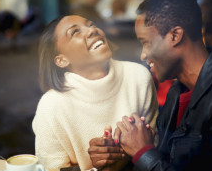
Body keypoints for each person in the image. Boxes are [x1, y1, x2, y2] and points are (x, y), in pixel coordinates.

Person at [88, 0, 212, 171]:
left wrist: (143, 152)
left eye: (146, 42)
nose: (143, 55)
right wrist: (121, 156)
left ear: (175, 35)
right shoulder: (178, 90)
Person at [32, 15, 159, 170]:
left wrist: (128, 152)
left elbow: (157, 147)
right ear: (61, 60)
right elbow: (51, 168)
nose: (92, 30)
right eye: (75, 32)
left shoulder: (138, 76)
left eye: (91, 24)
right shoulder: (51, 106)